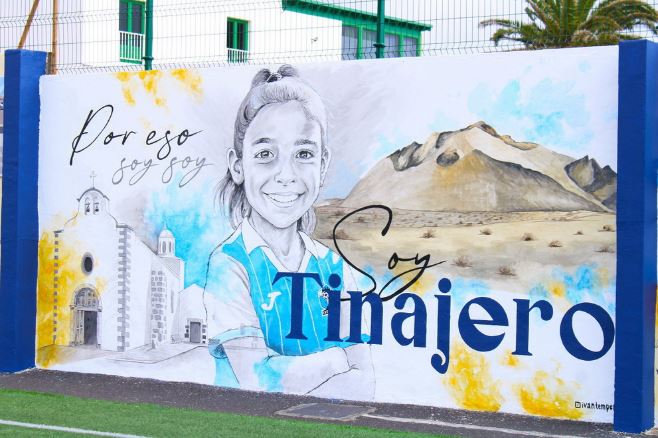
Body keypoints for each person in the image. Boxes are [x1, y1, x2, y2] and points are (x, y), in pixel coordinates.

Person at [203, 65, 374, 399]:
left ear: (322, 164)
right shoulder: (229, 264)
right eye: (266, 154)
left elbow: (364, 383)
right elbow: (259, 380)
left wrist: (303, 376)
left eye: (304, 153)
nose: (286, 175)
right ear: (238, 165)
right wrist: (336, 360)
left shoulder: (334, 268)